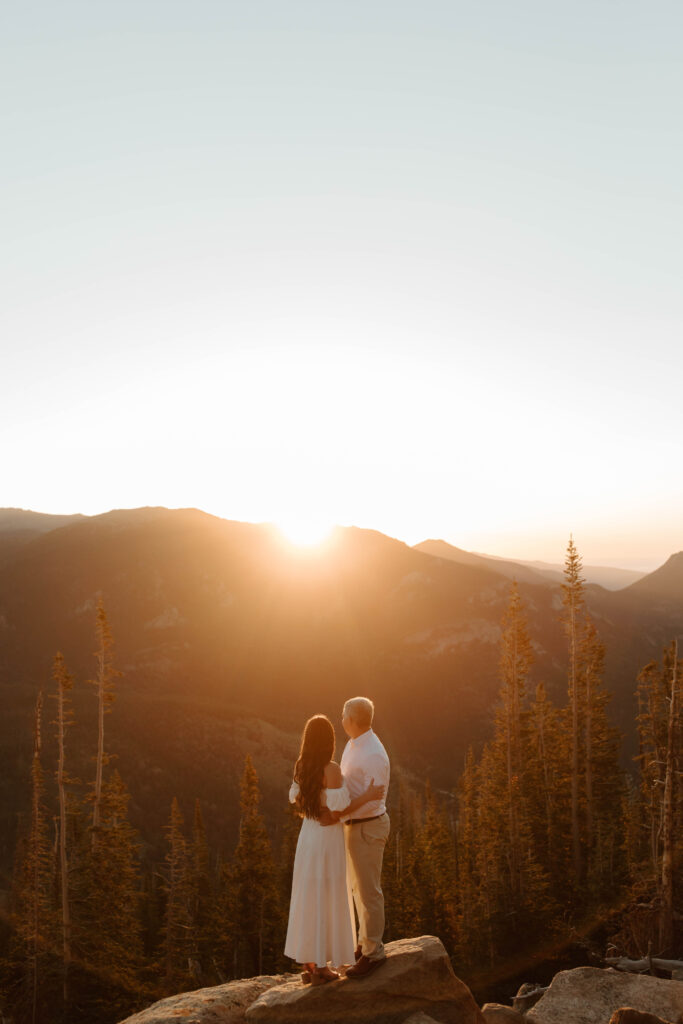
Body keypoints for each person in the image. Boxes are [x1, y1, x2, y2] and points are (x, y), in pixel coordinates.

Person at [284, 714, 384, 984]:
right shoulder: (331, 769)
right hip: (327, 839)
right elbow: (338, 809)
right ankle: (322, 970)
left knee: (310, 896)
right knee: (327, 897)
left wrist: (317, 806)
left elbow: (297, 798)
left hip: (308, 837)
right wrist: (367, 797)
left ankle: (311, 965)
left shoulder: (301, 765)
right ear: (328, 741)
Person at [337, 696, 391, 979]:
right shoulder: (354, 742)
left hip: (368, 826)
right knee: (358, 890)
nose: (341, 718)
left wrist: (341, 811)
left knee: (370, 892)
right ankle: (364, 942)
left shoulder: (372, 754)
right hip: (355, 826)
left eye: (344, 714)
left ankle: (374, 953)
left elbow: (372, 800)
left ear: (353, 720)